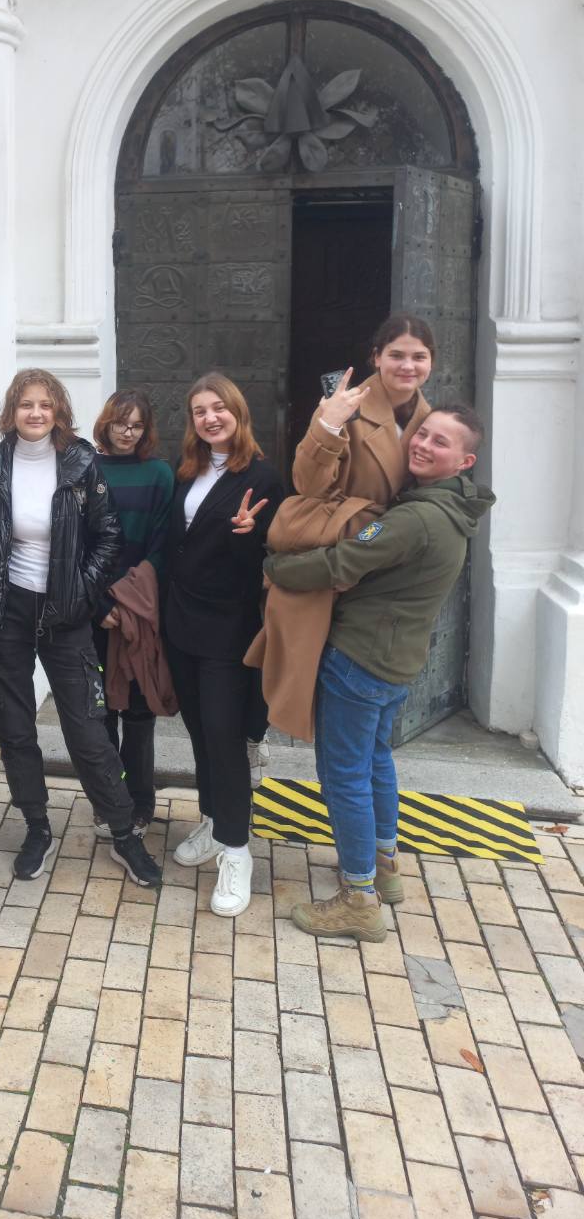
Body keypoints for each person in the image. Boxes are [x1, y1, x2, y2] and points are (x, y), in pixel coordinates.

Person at [265, 404, 494, 941]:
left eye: (440, 442)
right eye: (423, 434)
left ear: (464, 461)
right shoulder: (453, 508)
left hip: (360, 659)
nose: (423, 445)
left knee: (344, 776)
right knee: (375, 761)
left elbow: (341, 561)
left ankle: (359, 899)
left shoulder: (414, 519)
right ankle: (385, 865)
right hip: (396, 660)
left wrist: (275, 567)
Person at [0, 369, 163, 888]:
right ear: (11, 412)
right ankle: (37, 826)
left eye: (45, 405)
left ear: (58, 412)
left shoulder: (81, 465)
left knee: (88, 728)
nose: (35, 413)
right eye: (26, 404)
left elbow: (109, 536)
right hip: (8, 614)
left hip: (67, 615)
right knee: (16, 728)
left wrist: (82, 591)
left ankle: (122, 832)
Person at [247, 313, 436, 742]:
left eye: (419, 357)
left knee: (367, 708)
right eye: (397, 355)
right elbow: (308, 484)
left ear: (431, 362)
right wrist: (328, 425)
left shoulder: (430, 418)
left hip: (389, 559)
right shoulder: (345, 405)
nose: (408, 366)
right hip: (343, 547)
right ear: (376, 357)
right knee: (323, 680)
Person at [165, 374, 284, 918]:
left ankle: (237, 851)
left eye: (219, 408)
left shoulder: (262, 477)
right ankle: (214, 822)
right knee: (197, 730)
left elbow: (271, 560)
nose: (210, 418)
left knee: (224, 734)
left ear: (238, 412)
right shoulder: (186, 469)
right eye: (199, 411)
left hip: (228, 629)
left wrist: (247, 536)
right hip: (181, 624)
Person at [91, 388, 175, 837]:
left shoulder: (159, 473)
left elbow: (164, 542)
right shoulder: (87, 469)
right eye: (121, 423)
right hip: (96, 612)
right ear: (106, 423)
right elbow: (76, 543)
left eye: (137, 425)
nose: (128, 432)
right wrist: (101, 603)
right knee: (101, 713)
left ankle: (141, 802)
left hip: (140, 610)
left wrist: (130, 598)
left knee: (139, 715)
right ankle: (110, 800)